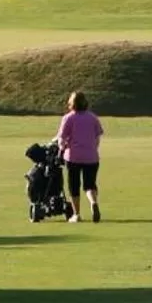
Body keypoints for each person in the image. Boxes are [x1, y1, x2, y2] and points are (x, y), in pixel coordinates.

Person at [56, 91, 103, 224]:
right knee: (90, 185)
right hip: (91, 157)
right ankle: (93, 203)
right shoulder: (93, 117)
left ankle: (77, 214)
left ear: (72, 103)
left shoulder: (68, 118)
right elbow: (97, 137)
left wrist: (62, 147)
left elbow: (62, 139)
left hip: (73, 157)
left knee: (74, 186)